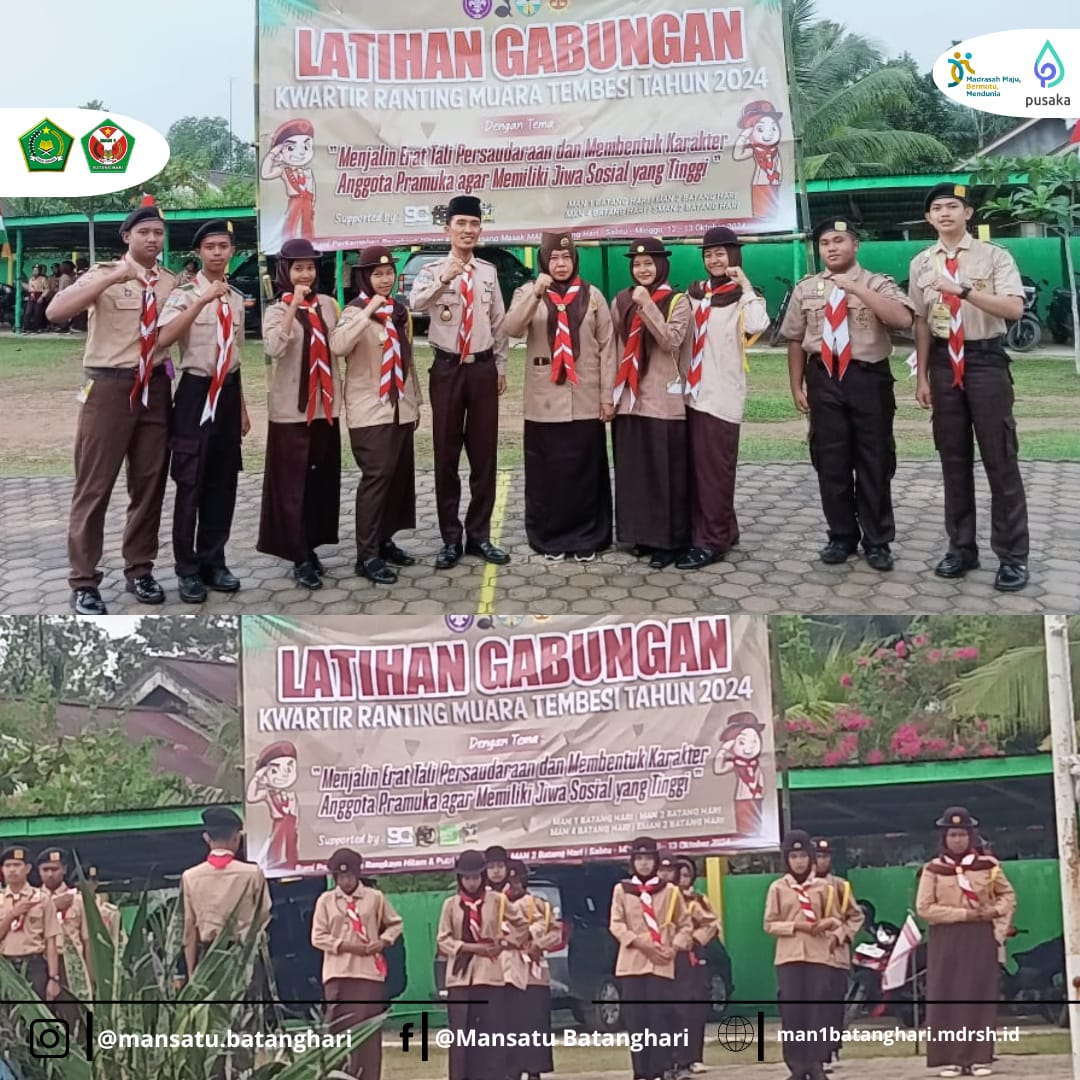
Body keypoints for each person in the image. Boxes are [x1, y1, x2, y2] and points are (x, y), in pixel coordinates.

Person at [45, 197, 177, 615]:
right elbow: (54, 312)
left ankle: (140, 569)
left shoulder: (170, 282)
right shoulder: (103, 274)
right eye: (144, 232)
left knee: (150, 484)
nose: (153, 238)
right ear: (127, 237)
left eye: (158, 233)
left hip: (155, 388)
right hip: (108, 388)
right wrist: (116, 274)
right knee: (94, 486)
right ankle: (83, 581)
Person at [909, 183, 1029, 592]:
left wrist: (962, 289)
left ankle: (1012, 557)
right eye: (937, 208)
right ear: (928, 218)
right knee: (953, 460)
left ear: (968, 213)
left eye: (952, 207)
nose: (944, 213)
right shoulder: (921, 263)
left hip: (986, 361)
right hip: (944, 363)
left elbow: (1014, 308)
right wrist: (922, 375)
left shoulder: (994, 256)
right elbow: (921, 322)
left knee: (1000, 459)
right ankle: (961, 548)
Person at [783, 218, 914, 571]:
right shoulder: (807, 288)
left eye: (839, 241)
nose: (832, 248)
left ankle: (877, 541)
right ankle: (840, 536)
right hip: (823, 378)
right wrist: (797, 385)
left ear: (855, 245)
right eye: (825, 243)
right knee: (831, 462)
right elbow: (796, 339)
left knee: (874, 461)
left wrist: (857, 290)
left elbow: (902, 319)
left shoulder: (877, 282)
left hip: (867, 378)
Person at [409, 194, 510, 570]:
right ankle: (451, 538)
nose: (467, 231)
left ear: (480, 229)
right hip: (448, 369)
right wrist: (444, 279)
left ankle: (479, 535)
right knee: (446, 454)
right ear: (447, 229)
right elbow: (415, 303)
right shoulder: (433, 268)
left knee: (484, 455)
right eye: (460, 224)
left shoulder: (488, 271)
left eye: (473, 224)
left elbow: (498, 324)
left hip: (482, 370)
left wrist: (500, 367)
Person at [504, 230, 616, 562]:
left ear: (575, 260)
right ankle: (549, 539)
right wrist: (536, 292)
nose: (561, 264)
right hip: (544, 400)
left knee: (585, 472)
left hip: (585, 396)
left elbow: (609, 347)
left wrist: (607, 396)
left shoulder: (592, 295)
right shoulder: (528, 292)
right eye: (554, 258)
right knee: (547, 474)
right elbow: (511, 328)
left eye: (566, 257)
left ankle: (588, 539)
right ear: (543, 261)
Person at [157, 220, 250, 604]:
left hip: (227, 394)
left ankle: (215, 560)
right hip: (196, 393)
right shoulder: (182, 295)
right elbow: (162, 339)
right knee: (191, 482)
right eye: (209, 246)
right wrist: (200, 301)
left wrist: (242, 407)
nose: (216, 252)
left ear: (232, 251)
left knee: (223, 482)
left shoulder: (235, 297)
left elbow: (236, 356)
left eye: (223, 246)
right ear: (198, 253)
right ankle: (187, 569)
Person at [678, 226, 770, 570]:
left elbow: (760, 323)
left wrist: (744, 283)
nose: (714, 260)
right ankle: (724, 530)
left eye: (721, 253)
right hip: (691, 394)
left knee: (716, 470)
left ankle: (710, 542)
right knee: (699, 471)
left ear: (734, 256)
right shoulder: (695, 294)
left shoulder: (742, 297)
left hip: (721, 395)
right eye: (709, 254)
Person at [329, 245, 421, 586]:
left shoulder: (399, 310)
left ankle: (385, 541)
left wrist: (416, 404)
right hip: (370, 410)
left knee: (397, 479)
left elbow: (406, 357)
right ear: (364, 278)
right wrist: (369, 311)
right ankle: (365, 556)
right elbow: (338, 347)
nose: (384, 279)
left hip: (400, 406)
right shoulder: (354, 311)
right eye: (377, 274)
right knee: (376, 477)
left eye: (388, 273)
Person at [257, 238, 342, 590]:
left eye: (310, 267)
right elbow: (275, 346)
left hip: (325, 408)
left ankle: (312, 545)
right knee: (292, 486)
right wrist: (293, 305)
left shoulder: (327, 305)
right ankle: (298, 555)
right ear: (284, 272)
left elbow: (338, 345)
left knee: (320, 484)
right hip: (291, 412)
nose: (305, 274)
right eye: (297, 268)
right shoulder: (275, 310)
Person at [610, 239, 693, 570]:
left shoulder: (678, 301)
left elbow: (671, 341)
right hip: (630, 397)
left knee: (665, 473)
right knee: (635, 472)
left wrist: (646, 305)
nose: (643, 270)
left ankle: (669, 541)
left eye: (649, 264)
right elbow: (615, 347)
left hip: (663, 400)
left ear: (662, 266)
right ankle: (640, 535)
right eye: (637, 265)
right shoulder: (621, 300)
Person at [916, 806, 1016, 1078]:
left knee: (979, 995)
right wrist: (963, 914)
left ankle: (979, 1057)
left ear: (971, 836)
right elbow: (924, 907)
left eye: (962, 834)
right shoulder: (933, 869)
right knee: (947, 994)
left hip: (980, 937)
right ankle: (950, 1058)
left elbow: (1008, 898)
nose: (957, 839)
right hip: (946, 939)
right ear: (943, 838)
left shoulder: (989, 867)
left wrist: (995, 922)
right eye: (952, 834)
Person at [311, 847, 403, 1080]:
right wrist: (346, 946)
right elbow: (317, 936)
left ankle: (368, 1076)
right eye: (341, 877)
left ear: (358, 874)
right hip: (338, 973)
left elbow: (395, 924)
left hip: (368, 974)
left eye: (350, 876)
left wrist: (382, 941)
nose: (346, 881)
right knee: (338, 1030)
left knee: (367, 1034)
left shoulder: (375, 898)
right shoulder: (326, 901)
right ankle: (337, 1075)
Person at [437, 850, 530, 1080]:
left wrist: (506, 943)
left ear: (482, 877)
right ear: (460, 879)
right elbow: (443, 939)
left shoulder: (497, 901)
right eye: (466, 878)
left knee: (490, 1032)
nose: (471, 882)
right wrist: (469, 948)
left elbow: (521, 924)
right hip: (460, 975)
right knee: (461, 1033)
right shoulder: (451, 904)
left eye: (476, 877)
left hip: (490, 974)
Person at [609, 836, 692, 1080]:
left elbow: (685, 926)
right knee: (636, 1020)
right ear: (632, 862)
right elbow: (616, 924)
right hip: (631, 963)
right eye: (639, 859)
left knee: (659, 1018)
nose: (644, 864)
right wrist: (640, 942)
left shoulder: (670, 891)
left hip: (661, 963)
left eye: (648, 859)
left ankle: (660, 1069)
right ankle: (640, 1071)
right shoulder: (622, 890)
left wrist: (675, 947)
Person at [763, 830, 839, 1080]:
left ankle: (816, 1062)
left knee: (817, 1011)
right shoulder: (778, 888)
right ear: (787, 859)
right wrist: (796, 926)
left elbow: (836, 917)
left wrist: (825, 924)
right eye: (793, 856)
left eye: (803, 855)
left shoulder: (824, 886)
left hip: (818, 955)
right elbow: (769, 924)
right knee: (793, 1011)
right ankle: (796, 1064)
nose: (799, 861)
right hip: (789, 956)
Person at [181, 807, 272, 987]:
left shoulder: (190, 877)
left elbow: (189, 931)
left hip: (210, 958)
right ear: (236, 837)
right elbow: (263, 918)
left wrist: (192, 973)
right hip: (245, 957)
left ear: (206, 838)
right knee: (248, 1012)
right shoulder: (253, 874)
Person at [810, 838, 864, 1070]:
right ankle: (811, 1052)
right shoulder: (798, 886)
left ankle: (830, 1049)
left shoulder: (840, 886)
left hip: (835, 953)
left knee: (832, 1004)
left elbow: (856, 916)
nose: (822, 861)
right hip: (809, 953)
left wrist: (843, 934)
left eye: (825, 856)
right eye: (818, 856)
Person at [504, 860, 561, 1080]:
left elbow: (556, 932)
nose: (514, 885)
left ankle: (535, 1070)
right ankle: (511, 1070)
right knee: (510, 1025)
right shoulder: (497, 905)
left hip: (533, 974)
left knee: (534, 1023)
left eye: (518, 880)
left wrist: (540, 944)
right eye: (511, 881)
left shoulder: (539, 905)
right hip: (507, 973)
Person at [672, 858, 718, 1077]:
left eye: (687, 875)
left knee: (695, 1007)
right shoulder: (666, 899)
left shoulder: (698, 900)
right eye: (679, 875)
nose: (682, 880)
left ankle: (695, 1057)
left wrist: (696, 939)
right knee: (675, 1010)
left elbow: (712, 924)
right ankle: (677, 1058)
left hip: (694, 957)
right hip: (671, 957)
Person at [0, 846, 61, 1006]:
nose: (12, 870)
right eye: (8, 865)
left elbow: (51, 941)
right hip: (6, 965)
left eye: (17, 865)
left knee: (37, 1014)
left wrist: (54, 978)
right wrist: (12, 914)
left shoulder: (42, 899)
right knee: (8, 1018)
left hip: (34, 965)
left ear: (27, 869)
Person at [35, 848, 83, 1027]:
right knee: (40, 1018)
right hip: (40, 961)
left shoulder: (78, 899)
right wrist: (53, 905)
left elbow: (86, 938)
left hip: (69, 963)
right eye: (45, 869)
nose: (49, 874)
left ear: (64, 869)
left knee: (71, 1017)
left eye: (54, 869)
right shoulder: (32, 899)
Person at [23, 265, 49, 332]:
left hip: (39, 296)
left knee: (37, 313)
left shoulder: (43, 279)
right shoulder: (31, 279)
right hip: (31, 296)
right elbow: (29, 288)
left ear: (39, 271)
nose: (35, 271)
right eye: (34, 270)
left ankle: (35, 328)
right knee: (28, 312)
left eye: (36, 270)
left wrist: (41, 297)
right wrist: (22, 284)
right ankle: (26, 328)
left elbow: (47, 289)